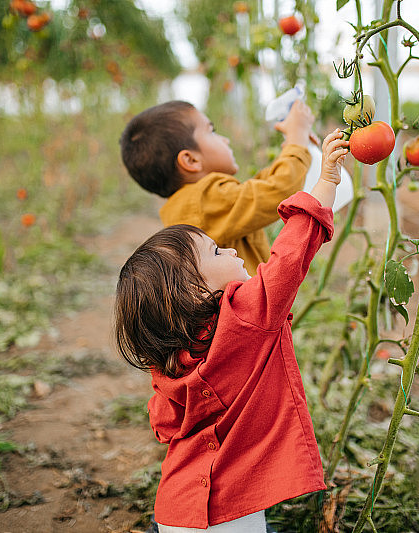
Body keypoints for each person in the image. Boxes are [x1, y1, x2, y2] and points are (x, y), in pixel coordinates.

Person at [114, 129, 349, 532]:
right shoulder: (247, 314)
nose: (233, 249)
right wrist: (325, 180)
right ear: (195, 289)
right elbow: (290, 254)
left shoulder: (168, 365)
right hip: (230, 514)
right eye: (218, 251)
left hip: (175, 510)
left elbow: (163, 423)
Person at [119, 99, 316, 276]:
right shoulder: (204, 200)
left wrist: (293, 146)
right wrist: (296, 141)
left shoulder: (191, 204)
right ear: (191, 160)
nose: (225, 139)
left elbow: (260, 189)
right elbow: (277, 191)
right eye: (212, 131)